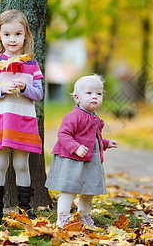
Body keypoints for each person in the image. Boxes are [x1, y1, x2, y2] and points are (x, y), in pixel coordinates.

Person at [0, 9, 44, 224]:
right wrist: (2, 88)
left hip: (23, 121)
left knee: (22, 164)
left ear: (26, 34)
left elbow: (39, 94)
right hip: (1, 121)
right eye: (7, 34)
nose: (12, 39)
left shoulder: (32, 64)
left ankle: (25, 209)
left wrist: (26, 87)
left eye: (17, 34)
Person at [45, 74, 118, 228]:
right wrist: (76, 147)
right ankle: (62, 218)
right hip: (72, 160)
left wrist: (105, 143)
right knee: (69, 190)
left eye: (99, 93)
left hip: (90, 162)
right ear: (77, 98)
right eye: (89, 93)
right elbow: (63, 135)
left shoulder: (95, 118)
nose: (95, 97)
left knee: (89, 191)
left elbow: (94, 139)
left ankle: (84, 216)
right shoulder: (73, 116)